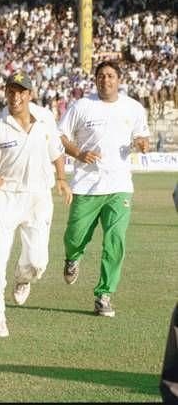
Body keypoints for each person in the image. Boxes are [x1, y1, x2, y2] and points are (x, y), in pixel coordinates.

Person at [0, 71, 72, 337]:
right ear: (6, 93)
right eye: (11, 91)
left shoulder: (45, 119)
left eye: (21, 92)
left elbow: (57, 152)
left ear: (29, 94)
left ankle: (23, 278)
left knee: (38, 262)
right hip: (7, 195)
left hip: (39, 195)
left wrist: (61, 178)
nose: (16, 97)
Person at [58, 60, 150, 317]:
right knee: (75, 237)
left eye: (110, 76)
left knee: (115, 241)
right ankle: (72, 257)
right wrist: (78, 152)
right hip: (86, 186)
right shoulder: (82, 106)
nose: (105, 80)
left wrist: (142, 143)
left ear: (119, 80)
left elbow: (142, 136)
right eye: (101, 76)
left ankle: (104, 295)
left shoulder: (133, 107)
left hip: (120, 186)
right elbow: (60, 135)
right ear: (95, 80)